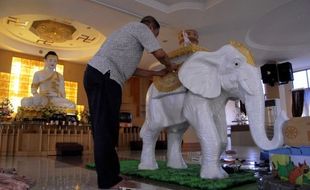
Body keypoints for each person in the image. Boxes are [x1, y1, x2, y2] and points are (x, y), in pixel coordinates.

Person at [83, 16, 178, 189]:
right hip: (106, 75)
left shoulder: (128, 37)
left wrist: (158, 73)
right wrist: (171, 66)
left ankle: (112, 177)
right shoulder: (139, 28)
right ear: (150, 27)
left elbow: (134, 70)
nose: (153, 39)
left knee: (108, 130)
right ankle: (108, 182)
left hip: (103, 75)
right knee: (105, 130)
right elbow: (159, 53)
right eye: (154, 35)